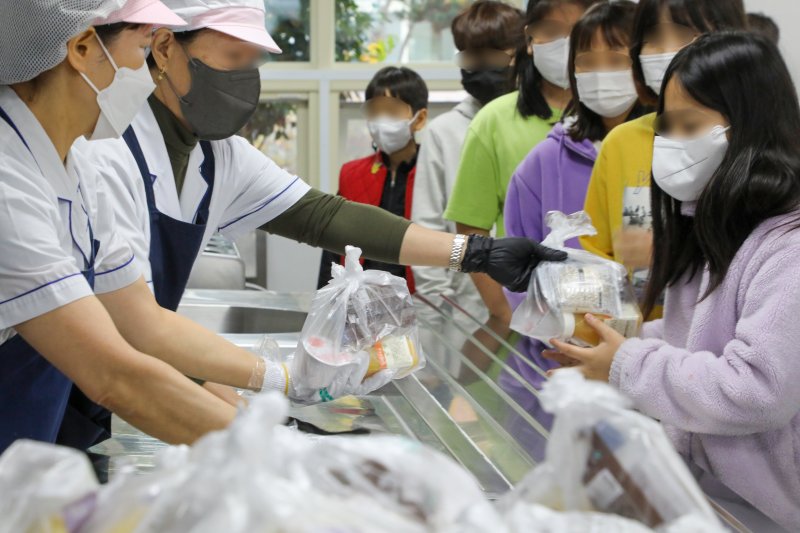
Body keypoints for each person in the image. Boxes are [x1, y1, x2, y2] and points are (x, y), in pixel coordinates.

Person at [75, 0, 566, 318]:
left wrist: (475, 253)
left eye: (252, 62)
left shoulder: (218, 155)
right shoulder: (109, 148)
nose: (245, 78)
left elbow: (325, 217)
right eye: (232, 58)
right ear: (164, 48)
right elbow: (135, 327)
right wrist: (276, 381)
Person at [0, 0, 292, 455]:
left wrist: (282, 377)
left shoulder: (80, 165)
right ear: (82, 48)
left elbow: (145, 324)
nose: (148, 73)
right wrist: (288, 456)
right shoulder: (8, 182)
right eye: (141, 50)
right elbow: (114, 376)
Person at [547, 32, 800, 530]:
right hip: (708, 495)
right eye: (667, 125)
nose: (672, 142)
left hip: (765, 510)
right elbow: (698, 336)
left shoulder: (787, 247)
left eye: (691, 125)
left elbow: (756, 389)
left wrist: (625, 363)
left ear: (750, 125)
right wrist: (617, 338)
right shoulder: (716, 225)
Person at [503, 1, 646, 388]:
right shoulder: (544, 161)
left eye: (616, 60)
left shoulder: (672, 152)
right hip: (563, 365)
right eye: (587, 62)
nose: (601, 73)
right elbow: (518, 268)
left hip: (654, 361)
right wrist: (562, 336)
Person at [579, 0, 747, 310]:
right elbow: (596, 253)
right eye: (653, 38)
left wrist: (674, 255)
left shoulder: (750, 144)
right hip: (639, 332)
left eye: (686, 34)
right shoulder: (621, 143)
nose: (668, 51)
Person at [443, 0, 593, 331]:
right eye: (551, 30)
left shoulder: (618, 120)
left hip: (610, 310)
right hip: (527, 316)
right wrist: (504, 312)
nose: (565, 43)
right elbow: (470, 229)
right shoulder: (494, 120)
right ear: (528, 39)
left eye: (578, 30)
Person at [411, 0, 524, 376]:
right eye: (471, 57)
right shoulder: (444, 132)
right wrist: (438, 304)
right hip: (464, 304)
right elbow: (427, 222)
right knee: (471, 395)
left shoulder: (542, 124)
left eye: (492, 56)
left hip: (532, 294)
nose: (480, 66)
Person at [318, 66, 428, 290]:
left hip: (421, 296)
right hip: (361, 296)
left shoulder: (433, 172)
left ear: (419, 118)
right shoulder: (351, 174)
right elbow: (333, 245)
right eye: (374, 111)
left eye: (392, 111)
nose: (381, 119)